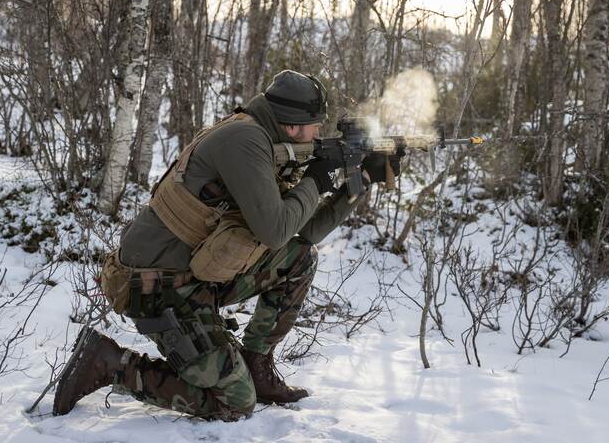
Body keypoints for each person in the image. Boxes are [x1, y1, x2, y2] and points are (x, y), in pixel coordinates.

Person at [52, 70, 401, 421]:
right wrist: (316, 178)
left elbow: (303, 232)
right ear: (292, 126)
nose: (318, 134)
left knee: (299, 258)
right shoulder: (245, 139)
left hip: (195, 274)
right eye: (315, 125)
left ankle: (256, 365)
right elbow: (275, 231)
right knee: (233, 401)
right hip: (158, 283)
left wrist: (363, 179)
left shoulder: (267, 143)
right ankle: (109, 363)